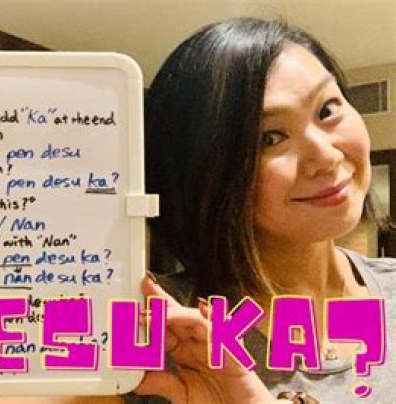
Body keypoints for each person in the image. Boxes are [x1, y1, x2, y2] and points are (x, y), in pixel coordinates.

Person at [131, 17, 396, 403]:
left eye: (326, 110)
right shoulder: (159, 328)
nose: (325, 156)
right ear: (204, 175)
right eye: (270, 138)